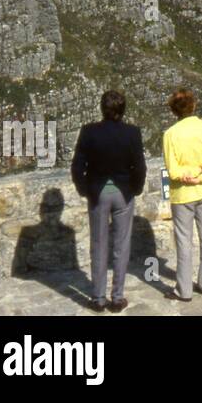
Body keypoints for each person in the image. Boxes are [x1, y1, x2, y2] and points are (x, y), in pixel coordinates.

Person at [70, 90, 147, 313]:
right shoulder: (132, 133)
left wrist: (85, 189)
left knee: (99, 244)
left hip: (98, 192)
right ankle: (118, 296)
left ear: (102, 108)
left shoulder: (89, 132)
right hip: (123, 192)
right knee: (121, 246)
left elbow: (77, 166)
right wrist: (136, 188)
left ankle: (98, 298)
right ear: (123, 110)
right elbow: (139, 166)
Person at [162, 90, 202, 302]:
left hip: (182, 194)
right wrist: (201, 174)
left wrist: (189, 175)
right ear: (193, 106)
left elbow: (173, 171)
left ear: (173, 110)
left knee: (184, 241)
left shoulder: (170, 135)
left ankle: (184, 290)